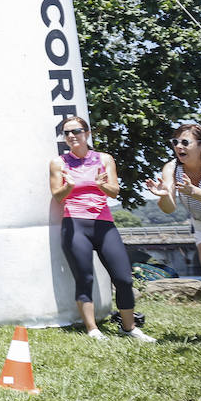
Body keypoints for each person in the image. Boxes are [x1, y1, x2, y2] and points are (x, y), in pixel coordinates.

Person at [50, 115, 155, 341]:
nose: (71, 136)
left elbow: (114, 191)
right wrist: (69, 187)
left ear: (87, 133)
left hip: (104, 225)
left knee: (124, 279)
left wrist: (102, 185)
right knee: (84, 278)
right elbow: (57, 196)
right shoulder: (59, 163)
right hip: (75, 224)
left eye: (76, 131)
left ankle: (129, 328)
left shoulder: (104, 159)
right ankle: (93, 330)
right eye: (66, 133)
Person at [150, 123, 201, 319]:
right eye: (175, 142)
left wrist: (194, 191)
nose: (178, 146)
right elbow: (169, 208)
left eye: (185, 142)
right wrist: (164, 196)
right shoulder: (172, 168)